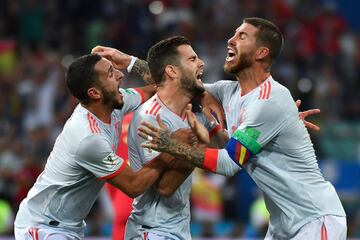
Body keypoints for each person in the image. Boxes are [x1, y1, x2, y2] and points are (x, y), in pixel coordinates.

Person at [138, 17, 347, 239]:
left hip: (314, 219)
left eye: (242, 36)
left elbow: (229, 163)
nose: (231, 39)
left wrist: (171, 146)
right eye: (234, 33)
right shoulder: (229, 92)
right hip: (282, 225)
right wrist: (131, 62)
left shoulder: (270, 100)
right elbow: (175, 79)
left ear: (261, 53)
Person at [14, 53, 174, 240]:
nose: (120, 75)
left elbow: (162, 88)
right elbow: (134, 185)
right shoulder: (88, 138)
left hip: (66, 227)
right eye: (110, 73)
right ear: (94, 93)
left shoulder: (114, 103)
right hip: (42, 228)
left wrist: (131, 62)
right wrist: (171, 149)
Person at [126, 36, 225, 240]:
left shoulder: (193, 114)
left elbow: (229, 153)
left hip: (177, 230)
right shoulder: (150, 117)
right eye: (192, 59)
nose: (201, 63)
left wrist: (213, 124)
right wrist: (196, 142)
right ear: (172, 71)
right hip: (152, 231)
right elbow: (165, 186)